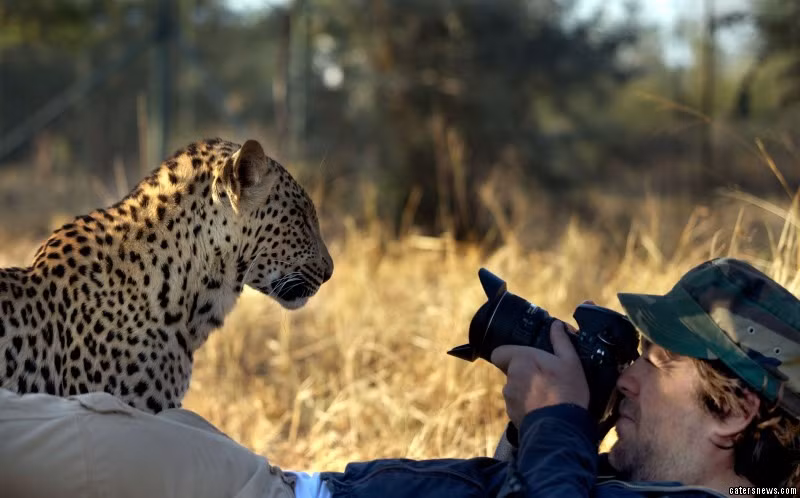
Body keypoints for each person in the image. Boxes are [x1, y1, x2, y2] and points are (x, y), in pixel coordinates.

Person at [1, 257, 798, 498]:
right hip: (281, 483)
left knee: (41, 442)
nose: (625, 377)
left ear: (733, 413)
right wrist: (547, 428)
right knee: (95, 425)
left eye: (657, 363)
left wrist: (555, 419)